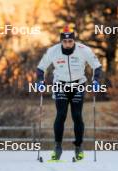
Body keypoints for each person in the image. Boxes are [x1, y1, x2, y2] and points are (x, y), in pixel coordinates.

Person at [36, 25, 102, 161]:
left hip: (78, 84)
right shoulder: (53, 51)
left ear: (74, 40)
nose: (67, 44)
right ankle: (57, 147)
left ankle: (78, 147)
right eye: (64, 42)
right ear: (61, 41)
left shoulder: (84, 50)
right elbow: (41, 67)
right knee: (61, 115)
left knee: (77, 115)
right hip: (60, 84)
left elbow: (97, 66)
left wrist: (95, 80)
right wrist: (39, 80)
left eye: (70, 41)